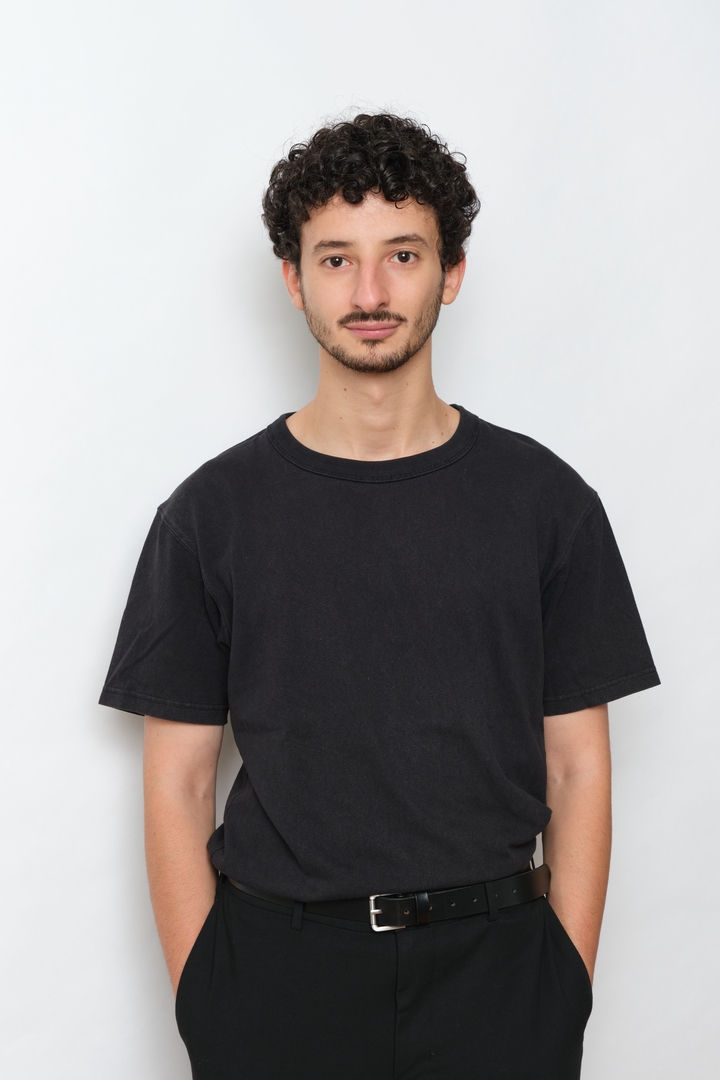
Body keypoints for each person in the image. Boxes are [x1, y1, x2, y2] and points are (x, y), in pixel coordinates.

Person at [100, 113, 660, 1080]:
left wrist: (562, 982)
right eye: (336, 259)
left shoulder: (547, 504)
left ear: (452, 272)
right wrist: (208, 998)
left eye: (402, 254)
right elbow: (178, 781)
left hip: (499, 978)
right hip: (276, 981)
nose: (369, 293)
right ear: (293, 279)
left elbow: (577, 769)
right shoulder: (210, 515)